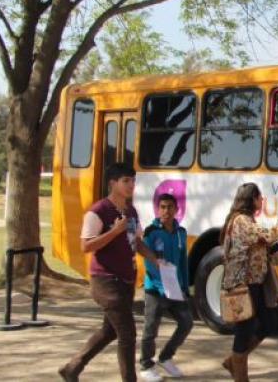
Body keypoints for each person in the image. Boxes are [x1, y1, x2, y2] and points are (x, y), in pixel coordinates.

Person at [59, 163, 160, 382]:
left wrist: (155, 259)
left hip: (126, 281)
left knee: (110, 330)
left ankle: (72, 367)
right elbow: (86, 246)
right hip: (105, 281)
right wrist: (114, 231)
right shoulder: (98, 211)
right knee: (128, 334)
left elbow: (136, 242)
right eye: (126, 181)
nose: (131, 185)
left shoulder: (131, 211)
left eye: (133, 181)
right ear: (112, 183)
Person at [220, 183, 278, 382]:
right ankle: (240, 375)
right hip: (243, 286)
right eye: (259, 197)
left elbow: (261, 243)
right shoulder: (241, 221)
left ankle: (234, 361)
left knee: (269, 322)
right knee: (244, 331)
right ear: (252, 200)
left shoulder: (247, 221)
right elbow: (269, 235)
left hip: (255, 284)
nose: (262, 201)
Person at [139, 193, 192, 381]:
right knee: (151, 327)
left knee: (186, 323)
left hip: (176, 288)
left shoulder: (181, 233)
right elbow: (149, 262)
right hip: (155, 289)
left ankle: (166, 357)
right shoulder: (151, 231)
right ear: (157, 209)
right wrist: (161, 287)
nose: (166, 211)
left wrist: (185, 287)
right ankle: (146, 364)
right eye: (162, 207)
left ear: (176, 209)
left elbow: (183, 261)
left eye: (170, 207)